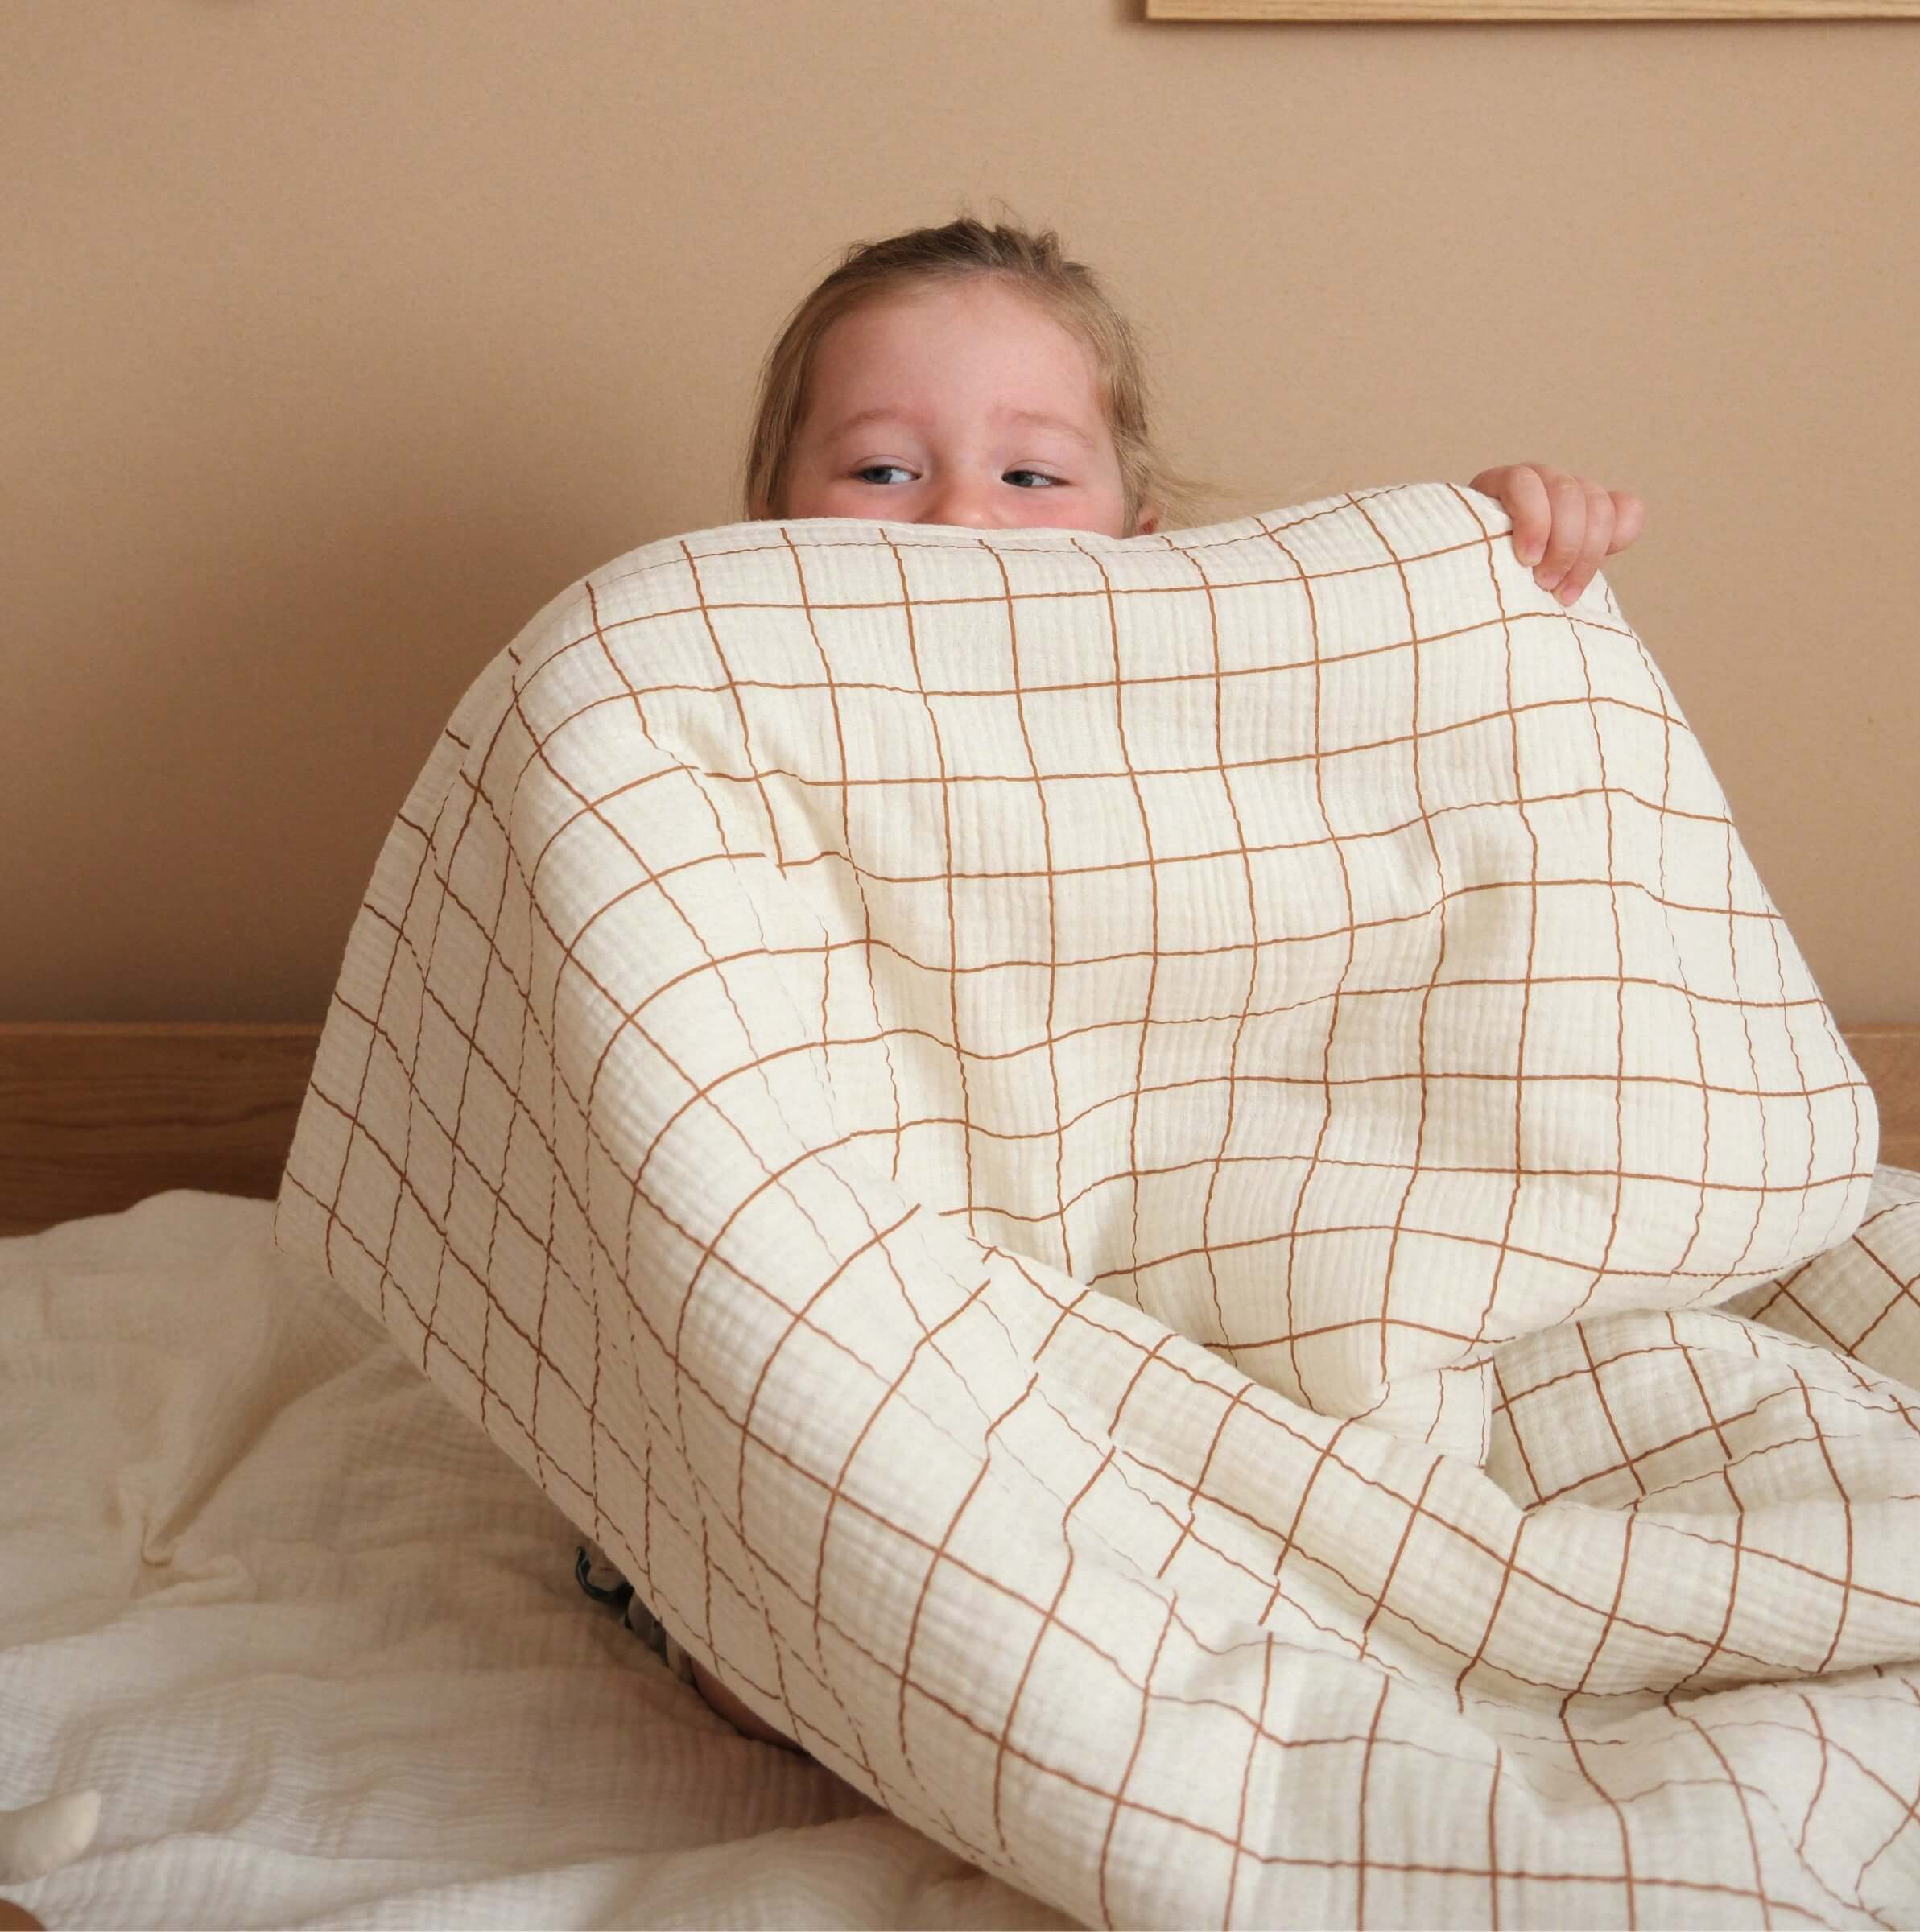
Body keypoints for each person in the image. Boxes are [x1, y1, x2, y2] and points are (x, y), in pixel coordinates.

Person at [587, 215, 1648, 1751]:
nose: (959, 519)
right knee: (780, 1572)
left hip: (1159, 1278)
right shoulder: (710, 711)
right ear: (767, 522)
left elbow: (1371, 793)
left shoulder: (1191, 712)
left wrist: (1470, 576)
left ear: (1140, 536)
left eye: (1032, 476)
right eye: (883, 469)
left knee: (1320, 1453)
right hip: (876, 1278)